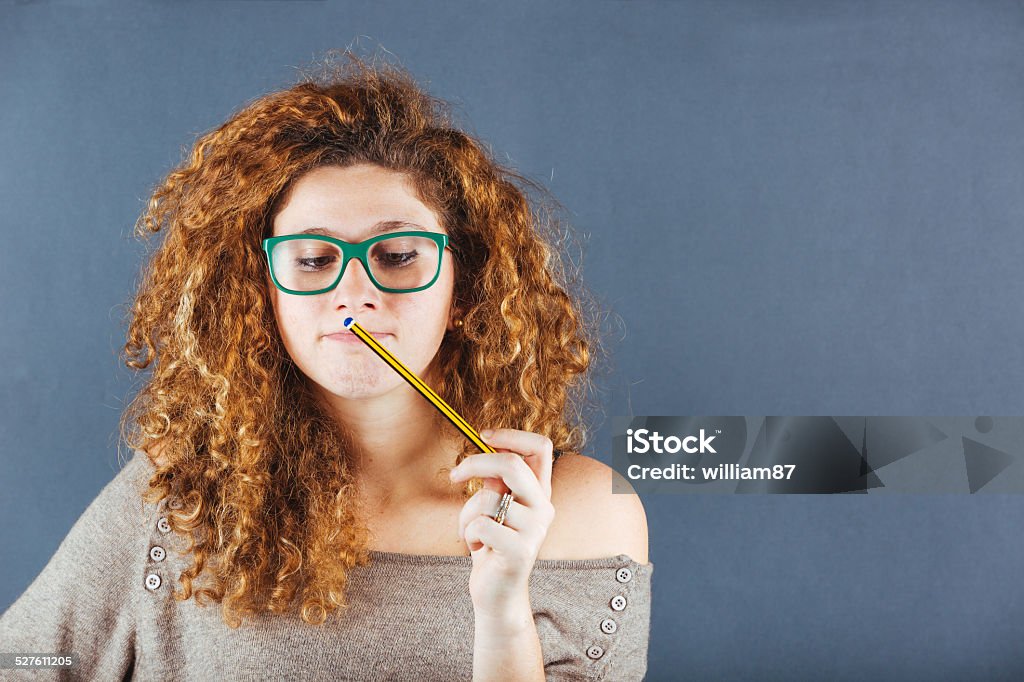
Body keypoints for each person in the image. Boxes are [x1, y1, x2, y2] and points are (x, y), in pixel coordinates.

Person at [0, 51, 652, 681]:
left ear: (466, 290)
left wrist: (503, 610)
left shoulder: (581, 513)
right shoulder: (185, 496)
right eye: (313, 259)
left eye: (397, 254)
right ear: (264, 295)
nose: (354, 293)